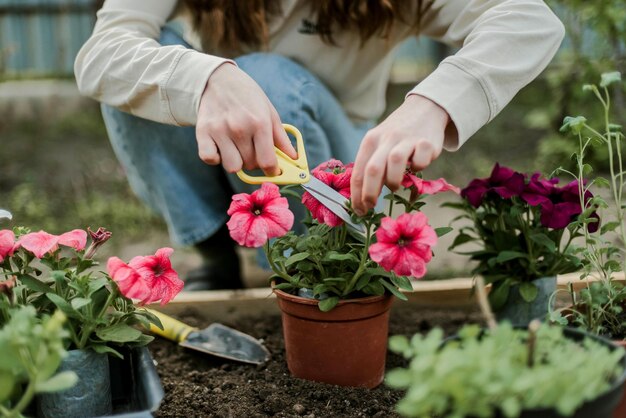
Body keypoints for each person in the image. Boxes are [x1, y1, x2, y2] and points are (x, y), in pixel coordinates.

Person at [75, 0, 565, 290]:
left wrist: (433, 104)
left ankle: (298, 271)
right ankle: (215, 255)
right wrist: (207, 75)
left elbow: (529, 20)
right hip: (219, 141)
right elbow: (102, 54)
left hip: (336, 155)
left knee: (269, 79)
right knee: (138, 72)